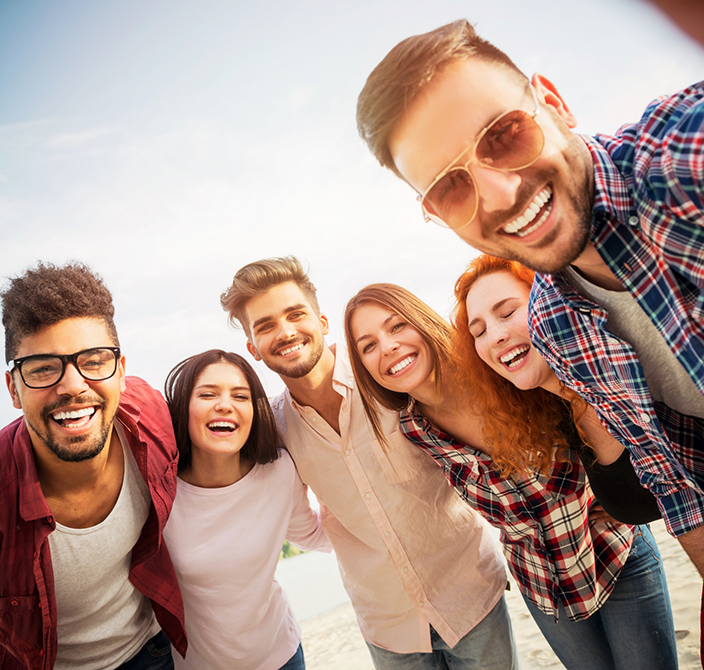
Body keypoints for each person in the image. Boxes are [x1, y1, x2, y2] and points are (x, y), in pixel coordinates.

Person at [356, 19, 704, 575]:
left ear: (554, 102)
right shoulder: (555, 325)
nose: (500, 192)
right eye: (450, 188)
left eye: (504, 134)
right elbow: (679, 491)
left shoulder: (676, 170)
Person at [344, 277, 678, 670]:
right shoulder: (416, 430)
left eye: (396, 325)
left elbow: (589, 406)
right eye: (368, 346)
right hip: (544, 589)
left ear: (422, 322)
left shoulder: (499, 371)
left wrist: (615, 492)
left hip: (614, 555)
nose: (388, 346)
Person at [220, 256, 519, 670]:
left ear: (322, 322)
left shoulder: (389, 373)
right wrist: (356, 539)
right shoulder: (273, 427)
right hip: (387, 626)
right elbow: (297, 523)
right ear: (253, 348)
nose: (285, 332)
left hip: (470, 595)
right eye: (266, 325)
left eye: (295, 314)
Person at [0, 261, 186, 670]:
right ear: (14, 388)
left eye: (94, 360)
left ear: (121, 372)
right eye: (43, 368)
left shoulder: (150, 419)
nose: (73, 386)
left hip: (153, 651)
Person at [162, 349, 330, 670]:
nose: (225, 404)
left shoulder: (279, 472)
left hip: (281, 655)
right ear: (183, 407)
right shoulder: (160, 492)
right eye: (208, 394)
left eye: (240, 396)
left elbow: (311, 534)